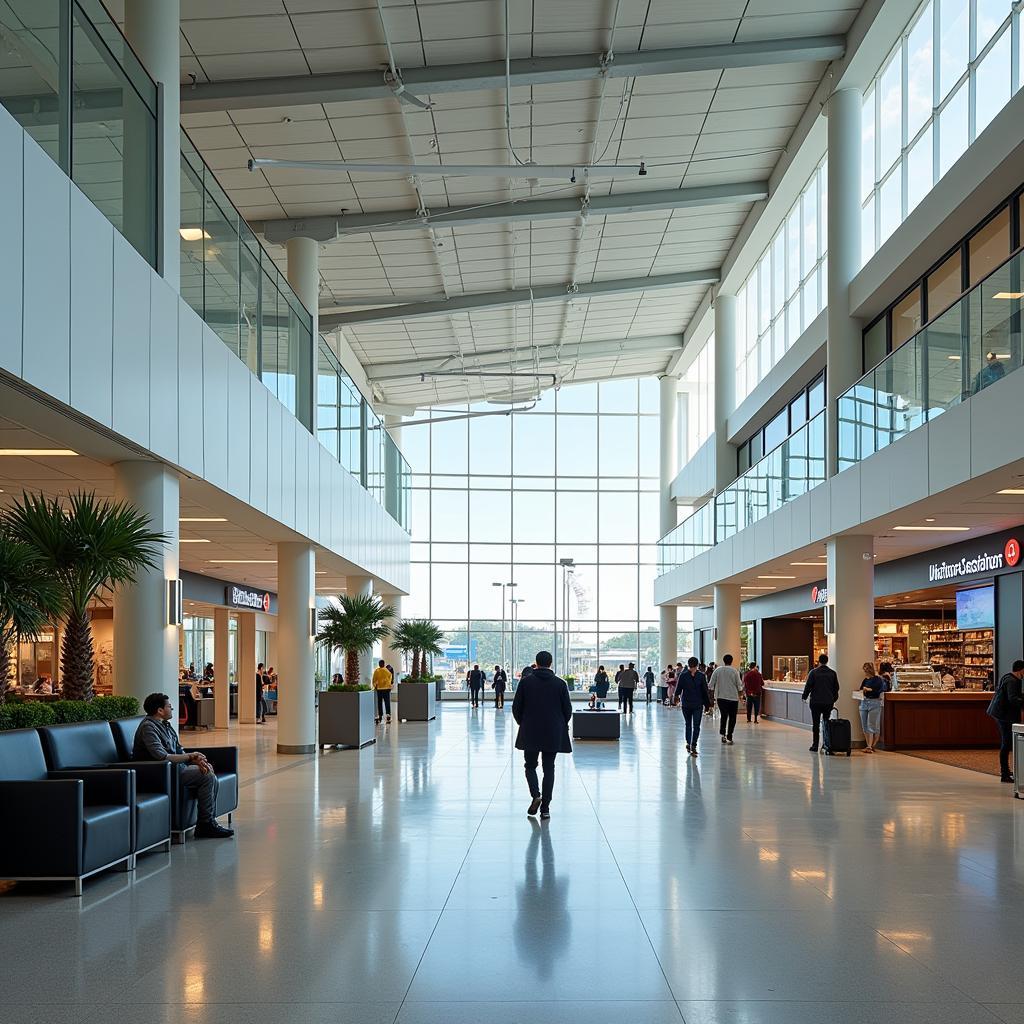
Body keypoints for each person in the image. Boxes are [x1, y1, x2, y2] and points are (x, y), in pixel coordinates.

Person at [133, 692, 233, 838]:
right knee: (206, 776)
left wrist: (195, 759)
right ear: (160, 710)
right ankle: (205, 824)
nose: (172, 709)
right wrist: (191, 756)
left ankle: (208, 821)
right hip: (160, 773)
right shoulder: (148, 728)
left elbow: (179, 750)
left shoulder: (165, 726)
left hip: (175, 769)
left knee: (207, 770)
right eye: (169, 707)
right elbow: (161, 756)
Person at [512, 651, 572, 820]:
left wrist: (523, 723)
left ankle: (535, 795)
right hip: (552, 732)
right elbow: (567, 710)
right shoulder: (560, 684)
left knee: (530, 765)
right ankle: (545, 808)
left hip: (530, 730)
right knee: (549, 768)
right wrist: (558, 724)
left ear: (536, 663)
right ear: (551, 663)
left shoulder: (525, 683)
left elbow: (516, 708)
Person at [987, 660, 1024, 783]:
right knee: (1006, 742)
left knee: (1007, 742)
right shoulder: (1012, 681)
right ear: (1021, 670)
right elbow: (1012, 698)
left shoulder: (1009, 678)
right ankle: (1004, 773)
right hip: (1003, 714)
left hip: (1001, 713)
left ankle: (1007, 771)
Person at [801, 653, 840, 752]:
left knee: (816, 724)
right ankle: (826, 744)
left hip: (816, 702)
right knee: (826, 722)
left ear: (819, 661)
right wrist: (833, 699)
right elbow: (836, 688)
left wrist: (804, 696)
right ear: (827, 661)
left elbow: (808, 686)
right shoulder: (832, 673)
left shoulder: (813, 672)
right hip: (828, 702)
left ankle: (815, 745)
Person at [674, 657, 711, 756]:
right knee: (691, 724)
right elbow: (705, 691)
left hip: (694, 704)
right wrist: (707, 705)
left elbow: (678, 690)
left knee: (693, 725)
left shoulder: (696, 676)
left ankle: (692, 744)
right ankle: (690, 743)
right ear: (697, 665)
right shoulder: (690, 676)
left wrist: (676, 697)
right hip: (690, 704)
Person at [710, 654, 743, 744]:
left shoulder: (717, 670)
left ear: (723, 661)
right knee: (732, 718)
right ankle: (730, 736)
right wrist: (741, 696)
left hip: (721, 697)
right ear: (731, 661)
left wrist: (713, 695)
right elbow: (739, 685)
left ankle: (723, 734)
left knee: (724, 716)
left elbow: (711, 685)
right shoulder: (735, 671)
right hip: (733, 698)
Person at [857, 661, 885, 753]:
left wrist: (868, 689)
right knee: (864, 725)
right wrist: (862, 691)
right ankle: (869, 745)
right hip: (864, 702)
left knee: (872, 724)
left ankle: (871, 745)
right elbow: (861, 689)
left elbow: (878, 691)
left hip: (874, 702)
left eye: (867, 669)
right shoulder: (865, 680)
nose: (865, 672)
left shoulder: (878, 679)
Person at [372, 658, 393, 724]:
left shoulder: (376, 671)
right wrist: (389, 685)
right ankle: (388, 715)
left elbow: (374, 679)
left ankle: (380, 715)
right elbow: (390, 678)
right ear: (384, 664)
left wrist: (375, 685)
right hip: (386, 689)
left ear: (379, 664)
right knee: (387, 702)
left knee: (379, 702)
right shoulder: (387, 671)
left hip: (379, 689)